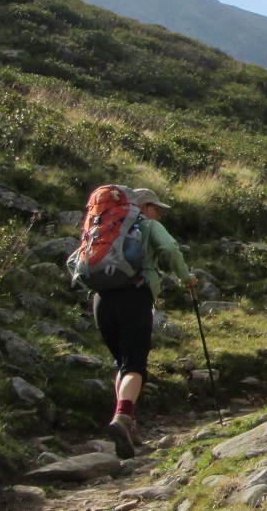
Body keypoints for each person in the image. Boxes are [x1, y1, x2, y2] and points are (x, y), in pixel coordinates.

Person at [96, 188, 197, 460]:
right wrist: (186, 277)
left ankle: (130, 426)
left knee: (124, 364)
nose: (160, 215)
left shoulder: (104, 226)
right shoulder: (148, 225)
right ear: (141, 206)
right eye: (156, 208)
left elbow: (76, 262)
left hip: (102, 302)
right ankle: (122, 417)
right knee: (135, 365)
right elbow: (170, 248)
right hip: (134, 296)